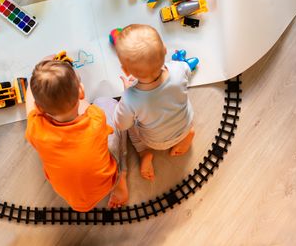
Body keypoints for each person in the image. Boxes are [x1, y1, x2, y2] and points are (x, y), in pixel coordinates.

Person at [25, 57, 128, 211]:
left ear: (39, 108)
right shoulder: (96, 117)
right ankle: (121, 181)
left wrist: (42, 69)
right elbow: (85, 107)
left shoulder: (36, 128)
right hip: (107, 182)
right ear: (81, 91)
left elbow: (29, 99)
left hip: (73, 199)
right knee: (105, 103)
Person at [113, 24, 196, 181]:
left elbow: (120, 124)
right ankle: (188, 135)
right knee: (179, 96)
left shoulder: (130, 98)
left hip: (155, 142)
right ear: (165, 50)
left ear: (125, 70)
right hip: (185, 125)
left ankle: (143, 152)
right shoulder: (178, 69)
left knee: (131, 128)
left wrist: (126, 91)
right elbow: (187, 68)